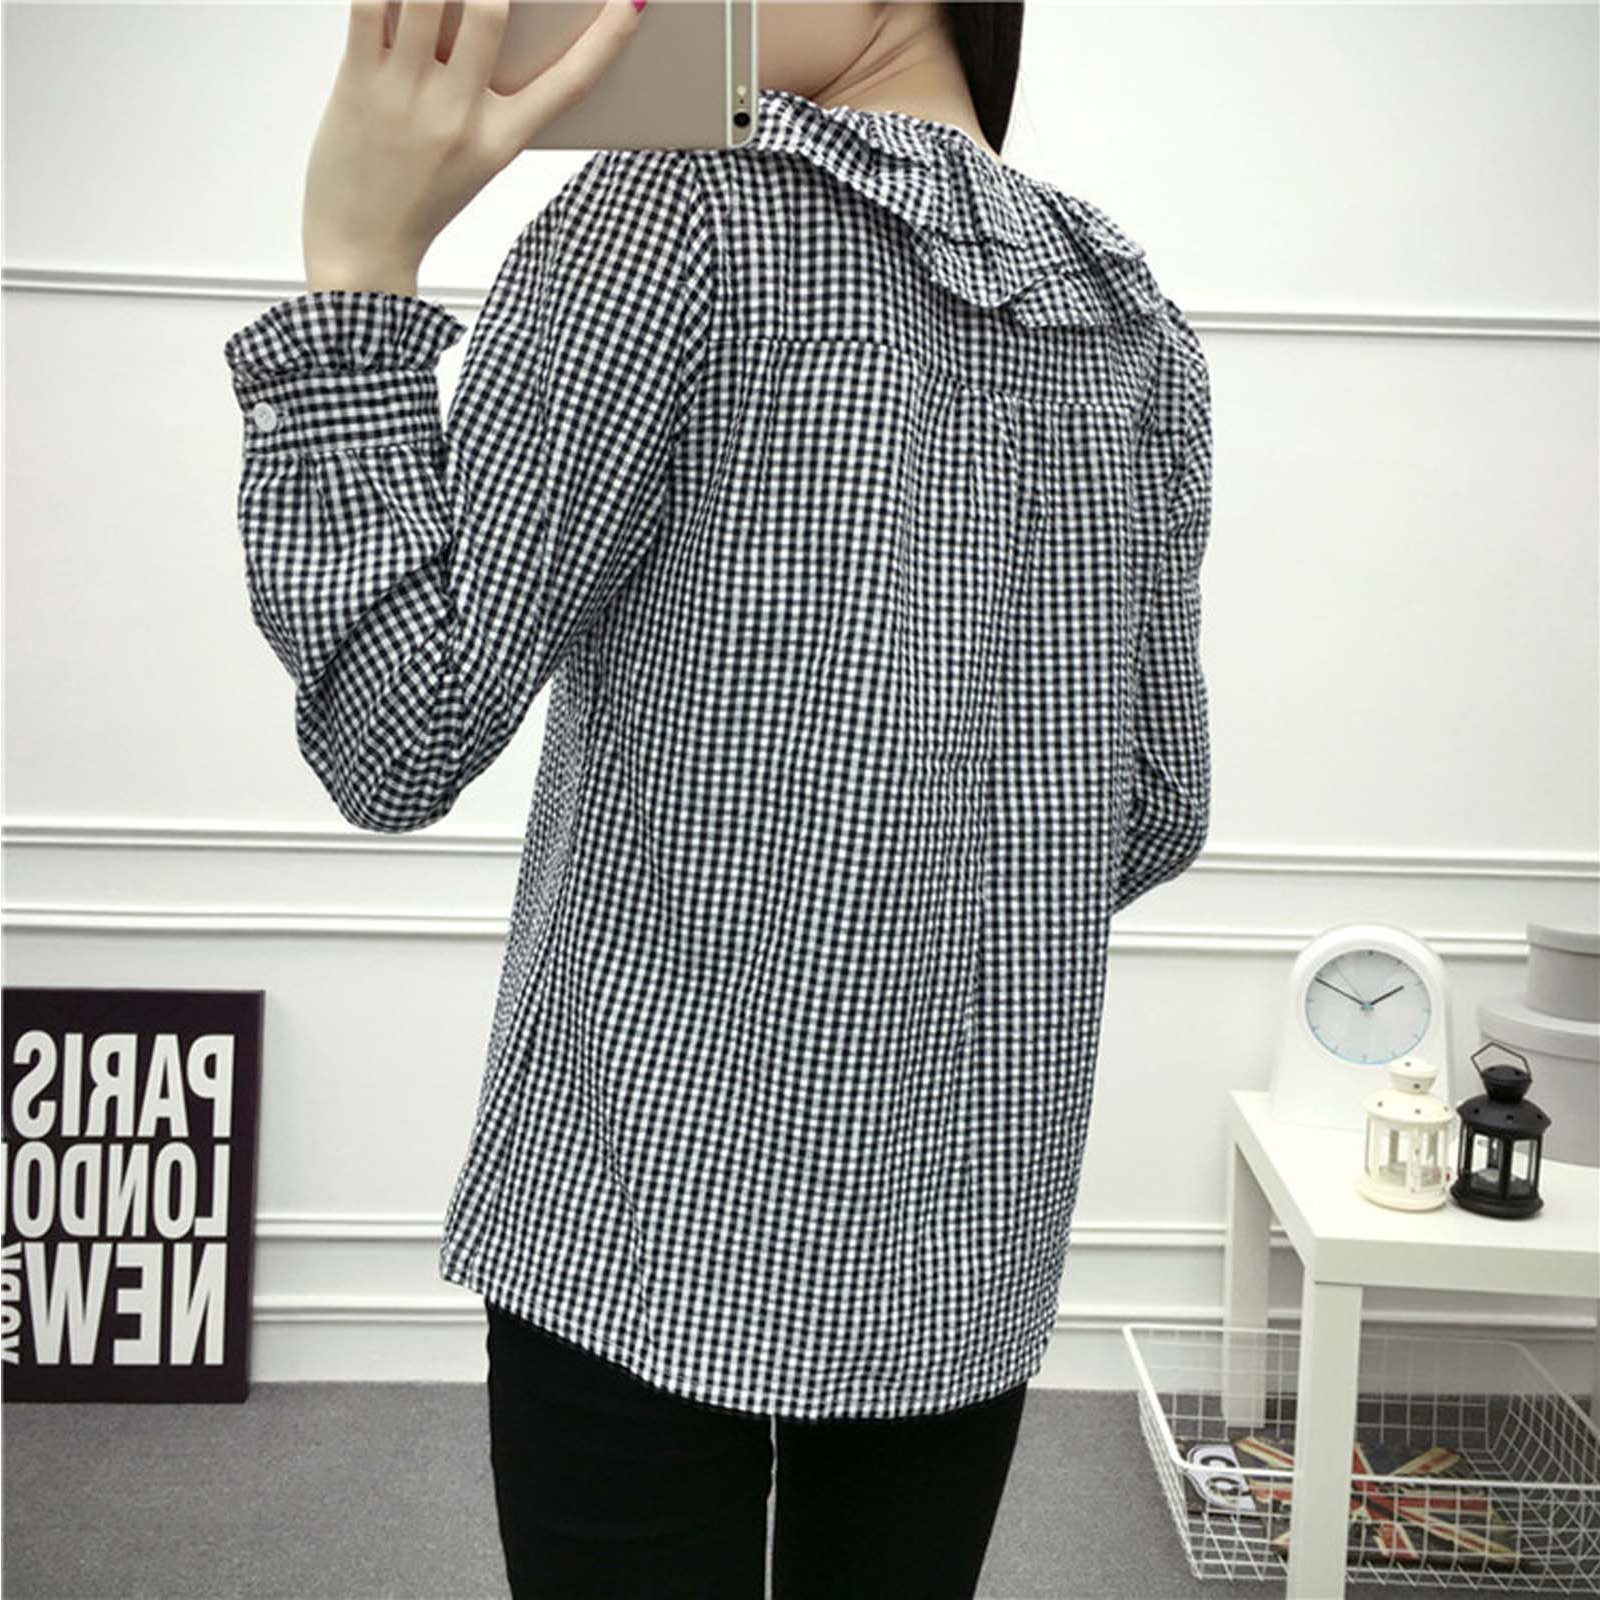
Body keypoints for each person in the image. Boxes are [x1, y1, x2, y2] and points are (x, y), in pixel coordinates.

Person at [221, 2, 1214, 1595]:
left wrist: (357, 263)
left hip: (641, 1192)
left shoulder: (668, 217)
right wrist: (939, 884)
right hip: (966, 1219)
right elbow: (1154, 801)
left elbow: (399, 735)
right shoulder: (1133, 322)